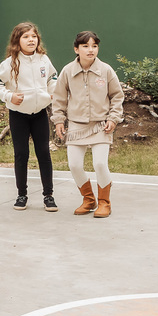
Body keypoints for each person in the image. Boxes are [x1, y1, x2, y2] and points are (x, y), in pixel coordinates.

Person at [51, 30, 124, 218]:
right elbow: (59, 99)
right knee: (74, 165)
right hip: (76, 126)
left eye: (94, 46)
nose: (90, 50)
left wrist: (113, 118)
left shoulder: (106, 70)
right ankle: (88, 200)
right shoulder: (67, 71)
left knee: (100, 164)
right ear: (76, 49)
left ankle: (104, 202)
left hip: (102, 124)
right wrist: (59, 120)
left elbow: (117, 96)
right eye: (85, 46)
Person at [0, 21, 60, 211]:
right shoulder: (10, 63)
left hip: (40, 114)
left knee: (44, 153)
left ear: (38, 39)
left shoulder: (44, 60)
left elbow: (53, 78)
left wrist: (52, 93)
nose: (31, 40)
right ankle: (22, 195)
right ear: (17, 41)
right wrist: (9, 96)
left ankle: (48, 196)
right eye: (26, 36)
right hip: (18, 115)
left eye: (34, 36)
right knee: (21, 155)